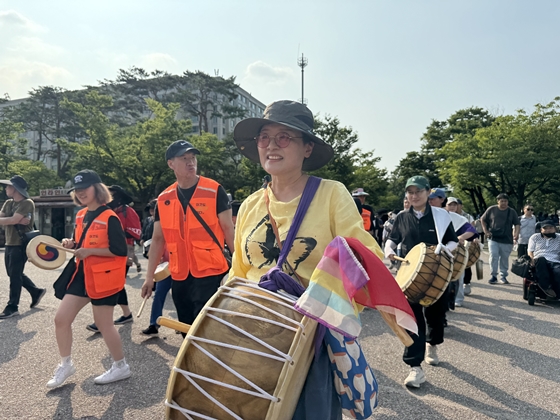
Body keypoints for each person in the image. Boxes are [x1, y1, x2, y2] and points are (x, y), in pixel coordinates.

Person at [228, 100, 386, 419]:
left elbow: (367, 260)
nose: (272, 145)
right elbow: (238, 271)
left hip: (308, 342)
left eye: (284, 137)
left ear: (308, 148)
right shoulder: (249, 205)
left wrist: (317, 298)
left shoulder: (331, 194)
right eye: (264, 137)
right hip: (255, 338)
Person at [47, 170, 130, 388]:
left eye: (85, 188)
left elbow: (120, 251)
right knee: (61, 319)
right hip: (81, 274)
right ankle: (66, 364)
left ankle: (121, 366)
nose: (81, 192)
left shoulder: (110, 216)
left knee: (104, 324)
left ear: (98, 188)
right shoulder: (80, 215)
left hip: (104, 278)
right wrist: (71, 244)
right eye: (77, 190)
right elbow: (79, 243)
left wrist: (89, 252)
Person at [141, 140, 235, 330]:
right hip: (180, 275)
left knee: (206, 329)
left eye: (192, 158)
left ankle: (207, 360)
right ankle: (191, 361)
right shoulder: (164, 198)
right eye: (184, 159)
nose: (191, 162)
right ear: (171, 164)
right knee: (185, 326)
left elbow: (228, 230)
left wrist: (240, 267)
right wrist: (149, 277)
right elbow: (158, 240)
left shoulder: (214, 190)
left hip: (211, 271)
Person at [385, 176, 458, 388]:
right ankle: (415, 367)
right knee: (411, 318)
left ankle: (432, 344)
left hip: (437, 274)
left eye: (418, 191)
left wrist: (446, 249)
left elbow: (452, 240)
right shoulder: (401, 217)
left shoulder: (441, 216)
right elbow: (393, 239)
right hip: (409, 275)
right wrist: (389, 249)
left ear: (428, 193)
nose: (414, 196)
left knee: (436, 315)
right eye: (410, 192)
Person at [86, 185, 141, 332]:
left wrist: (117, 232)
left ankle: (101, 322)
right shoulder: (104, 212)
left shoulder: (127, 211)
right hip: (106, 253)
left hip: (122, 252)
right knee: (116, 284)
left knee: (109, 285)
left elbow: (136, 232)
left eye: (114, 194)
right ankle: (126, 314)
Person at [0, 176, 46, 319]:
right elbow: (6, 220)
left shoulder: (27, 203)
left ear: (15, 188)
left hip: (21, 244)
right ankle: (35, 291)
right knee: (13, 273)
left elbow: (11, 220)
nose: (6, 189)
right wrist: (13, 219)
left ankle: (12, 306)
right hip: (9, 243)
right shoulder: (8, 203)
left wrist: (12, 219)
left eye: (8, 186)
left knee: (14, 275)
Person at [445, 197, 478, 307]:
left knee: (459, 275)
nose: (453, 207)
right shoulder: (439, 216)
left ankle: (458, 299)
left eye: (455, 204)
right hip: (442, 251)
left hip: (458, 252)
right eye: (450, 204)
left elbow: (472, 231)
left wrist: (461, 237)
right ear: (445, 205)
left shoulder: (460, 219)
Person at [481, 193, 520, 284]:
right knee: (494, 256)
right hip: (493, 237)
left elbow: (517, 224)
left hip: (507, 239)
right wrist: (485, 231)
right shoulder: (491, 209)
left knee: (504, 258)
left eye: (505, 201)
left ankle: (503, 276)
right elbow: (482, 219)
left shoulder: (511, 211)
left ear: (508, 202)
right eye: (501, 201)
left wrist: (516, 234)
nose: (503, 203)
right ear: (497, 201)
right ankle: (493, 275)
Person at [527, 220, 560, 298]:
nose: (548, 230)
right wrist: (531, 259)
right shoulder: (535, 237)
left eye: (550, 228)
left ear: (555, 229)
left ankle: (557, 291)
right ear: (541, 229)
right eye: (545, 228)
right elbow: (530, 251)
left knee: (558, 271)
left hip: (554, 261)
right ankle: (546, 287)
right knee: (541, 259)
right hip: (539, 260)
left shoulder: (559, 237)